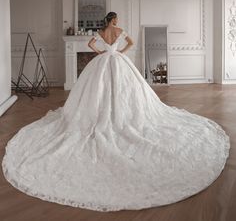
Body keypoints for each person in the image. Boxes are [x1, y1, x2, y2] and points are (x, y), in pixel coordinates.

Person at [2, 11, 230, 212]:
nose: (117, 22)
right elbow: (131, 43)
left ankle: (101, 115)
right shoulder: (119, 31)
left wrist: (102, 53)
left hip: (103, 62)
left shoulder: (101, 32)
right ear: (114, 20)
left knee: (98, 91)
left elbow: (91, 45)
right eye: (116, 19)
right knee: (123, 91)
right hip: (119, 61)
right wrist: (119, 50)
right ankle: (119, 116)